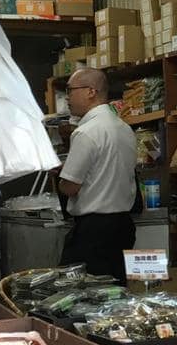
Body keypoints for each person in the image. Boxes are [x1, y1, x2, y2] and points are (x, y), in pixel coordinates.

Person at [57, 68, 138, 282]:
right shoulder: (124, 129)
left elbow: (71, 186)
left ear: (91, 92)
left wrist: (59, 177)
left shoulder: (87, 132)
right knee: (116, 291)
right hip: (122, 227)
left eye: (71, 90)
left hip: (94, 231)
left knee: (81, 295)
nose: (67, 98)